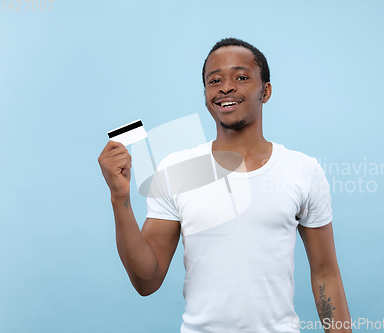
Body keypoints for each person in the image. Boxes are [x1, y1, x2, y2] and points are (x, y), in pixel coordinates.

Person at [98, 38, 351, 333]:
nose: (226, 87)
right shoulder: (176, 170)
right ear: (206, 95)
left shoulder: (303, 170)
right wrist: (120, 198)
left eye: (241, 77)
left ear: (265, 91)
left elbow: (325, 274)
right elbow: (146, 281)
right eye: (214, 80)